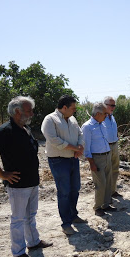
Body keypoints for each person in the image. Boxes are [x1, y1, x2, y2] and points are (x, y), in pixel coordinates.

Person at [0, 96, 53, 257]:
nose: (32, 114)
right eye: (29, 111)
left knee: (31, 215)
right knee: (18, 219)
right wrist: (2, 174)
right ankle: (18, 253)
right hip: (18, 184)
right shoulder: (5, 130)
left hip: (32, 181)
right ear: (17, 111)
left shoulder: (24, 128)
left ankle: (33, 242)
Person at [41, 95, 86, 235]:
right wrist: (74, 148)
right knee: (64, 191)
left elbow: (80, 133)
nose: (74, 111)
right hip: (58, 160)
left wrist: (80, 146)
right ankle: (66, 223)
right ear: (64, 107)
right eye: (72, 108)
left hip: (73, 159)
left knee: (75, 189)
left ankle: (73, 215)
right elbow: (54, 140)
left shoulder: (72, 119)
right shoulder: (50, 119)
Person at [81, 103, 116, 216]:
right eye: (105, 113)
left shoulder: (102, 124)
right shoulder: (87, 127)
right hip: (97, 158)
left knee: (108, 181)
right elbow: (86, 146)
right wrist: (91, 162)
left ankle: (106, 204)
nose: (107, 115)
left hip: (107, 155)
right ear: (97, 114)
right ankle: (97, 207)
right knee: (100, 184)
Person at [103, 96, 122, 197]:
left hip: (114, 145)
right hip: (106, 147)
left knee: (115, 169)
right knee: (107, 171)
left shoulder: (112, 116)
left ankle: (113, 191)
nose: (113, 107)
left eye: (114, 105)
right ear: (105, 105)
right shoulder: (101, 117)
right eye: (112, 105)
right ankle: (106, 193)